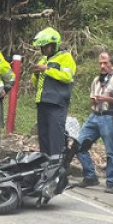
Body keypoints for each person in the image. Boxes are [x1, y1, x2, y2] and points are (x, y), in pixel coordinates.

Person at [75, 51, 113, 191]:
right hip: (94, 115)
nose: (102, 66)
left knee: (110, 151)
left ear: (112, 65)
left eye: (105, 63)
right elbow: (92, 98)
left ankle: (110, 183)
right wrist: (94, 100)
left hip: (109, 116)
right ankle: (90, 176)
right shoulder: (96, 80)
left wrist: (106, 99)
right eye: (100, 63)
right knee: (79, 146)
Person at [30, 27, 76, 157]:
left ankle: (57, 168)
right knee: (43, 138)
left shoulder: (65, 57)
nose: (43, 50)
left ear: (54, 45)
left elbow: (67, 77)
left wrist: (47, 69)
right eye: (42, 47)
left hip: (57, 104)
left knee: (55, 138)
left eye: (46, 46)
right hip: (42, 102)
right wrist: (36, 74)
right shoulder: (43, 60)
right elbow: (36, 83)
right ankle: (44, 166)